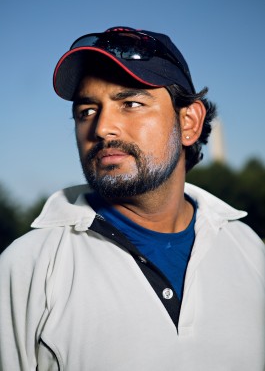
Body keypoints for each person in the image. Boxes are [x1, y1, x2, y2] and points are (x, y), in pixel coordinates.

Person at [0, 26, 264, 371]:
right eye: (87, 111)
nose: (102, 128)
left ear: (189, 122)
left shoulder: (250, 251)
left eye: (131, 103)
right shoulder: (27, 267)